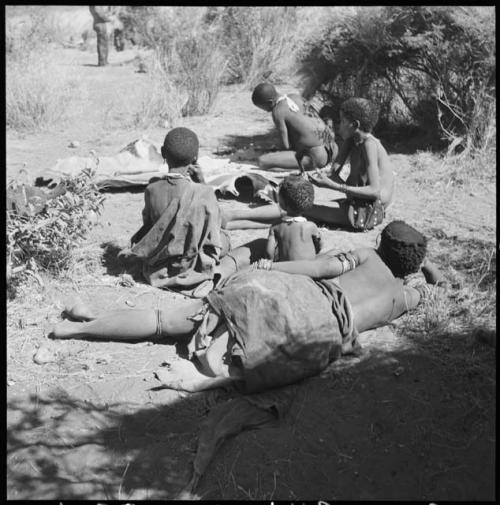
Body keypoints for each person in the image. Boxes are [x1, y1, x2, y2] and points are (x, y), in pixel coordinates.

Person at [50, 221, 446, 394]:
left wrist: (271, 268)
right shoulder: (401, 298)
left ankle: (84, 325)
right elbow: (425, 290)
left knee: (166, 321)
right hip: (318, 334)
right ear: (411, 267)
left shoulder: (364, 255)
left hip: (300, 296)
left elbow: (320, 267)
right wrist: (427, 269)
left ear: (381, 245)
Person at [224, 97, 395, 232]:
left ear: (354, 125)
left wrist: (334, 186)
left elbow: (374, 191)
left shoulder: (369, 145)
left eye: (342, 121)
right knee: (298, 212)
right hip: (358, 202)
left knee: (297, 210)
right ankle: (231, 222)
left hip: (370, 210)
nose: (338, 125)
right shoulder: (353, 139)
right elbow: (333, 174)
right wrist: (313, 178)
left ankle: (233, 217)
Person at [121, 127, 230, 293]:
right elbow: (214, 227)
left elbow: (150, 228)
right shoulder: (203, 192)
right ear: (196, 158)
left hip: (158, 265)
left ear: (163, 153)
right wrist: (202, 182)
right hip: (190, 264)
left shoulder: (152, 188)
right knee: (225, 238)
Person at [251, 83, 338, 172]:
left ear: (270, 102)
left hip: (317, 158)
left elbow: (286, 146)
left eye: (263, 108)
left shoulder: (277, 111)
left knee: (262, 161)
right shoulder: (295, 97)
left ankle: (297, 168)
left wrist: (277, 152)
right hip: (333, 148)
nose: (265, 111)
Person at [266, 175, 323, 261]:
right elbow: (319, 246)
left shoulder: (276, 226)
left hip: (288, 266)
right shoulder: (311, 226)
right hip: (308, 266)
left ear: (283, 204)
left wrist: (270, 261)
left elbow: (269, 252)